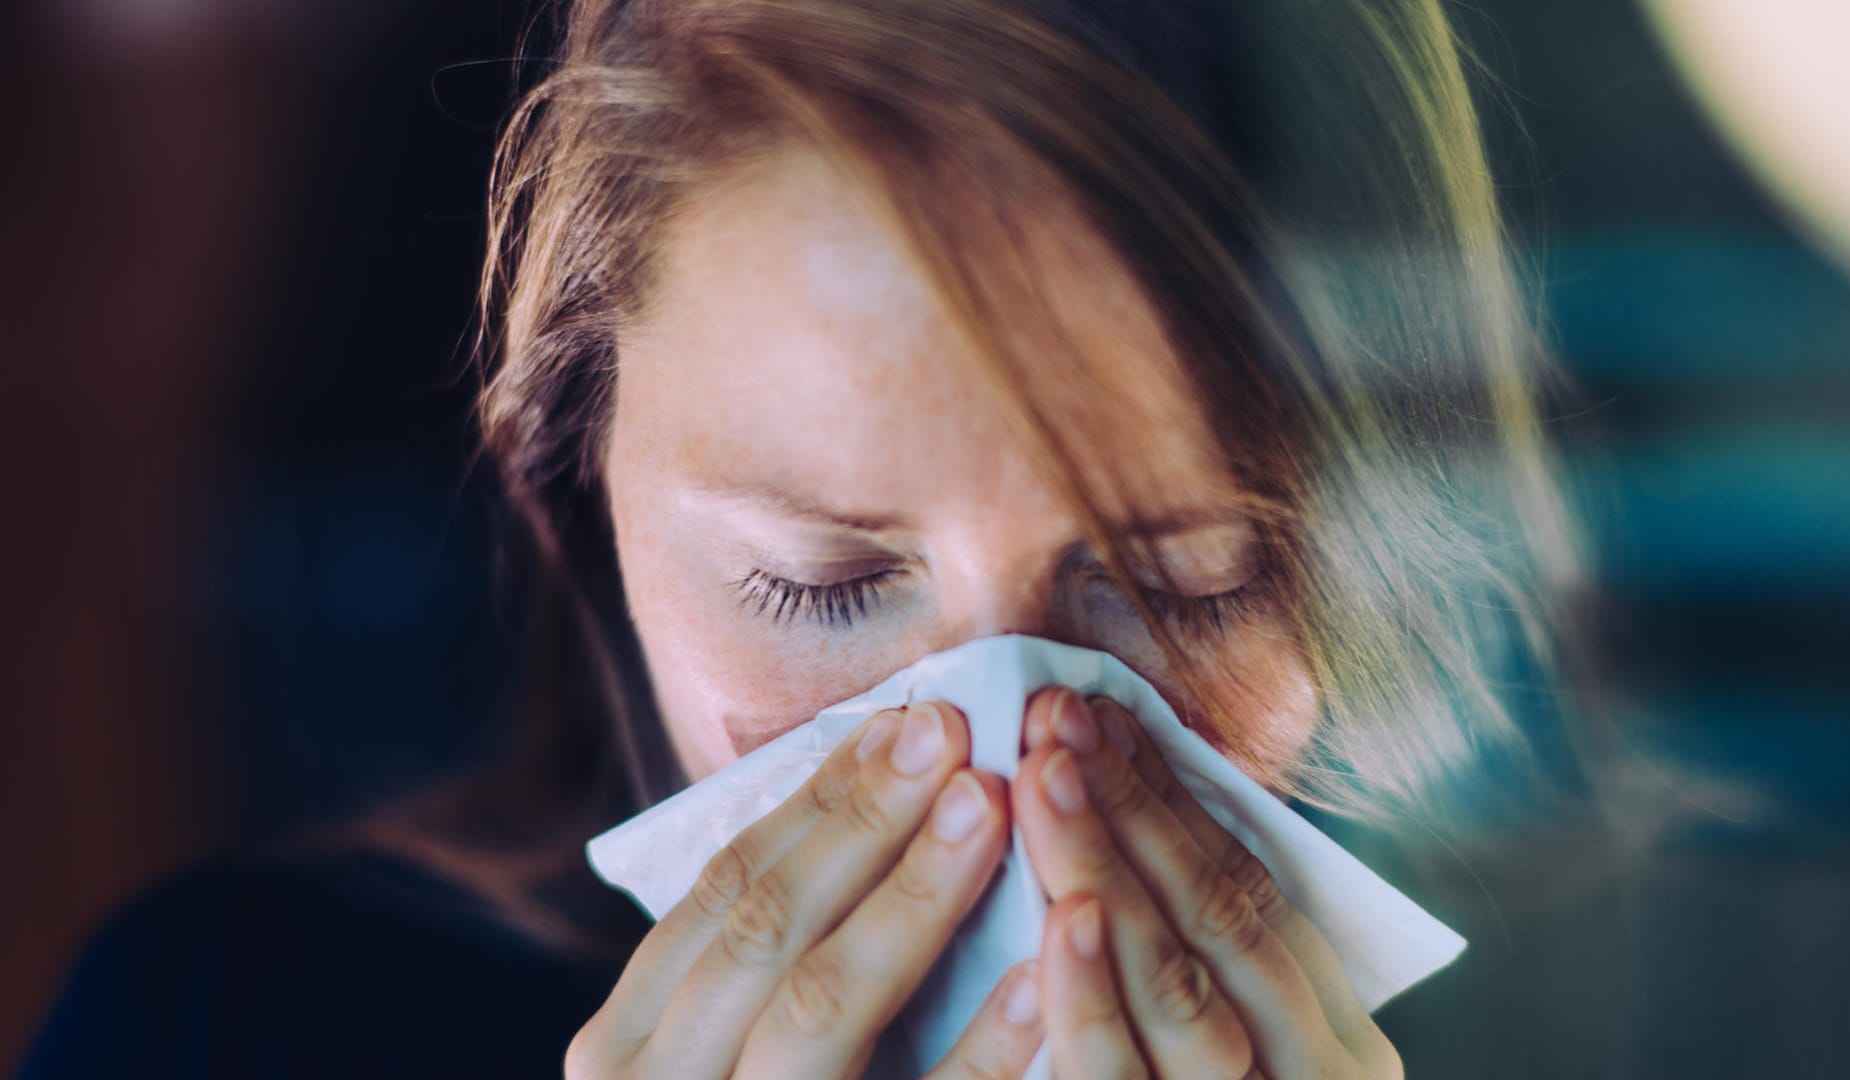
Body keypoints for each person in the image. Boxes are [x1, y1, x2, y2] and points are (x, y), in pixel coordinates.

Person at [23, 0, 1596, 1076]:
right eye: (820, 584)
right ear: (578, 498)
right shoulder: (214, 1030)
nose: (1001, 761)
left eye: (1189, 588)